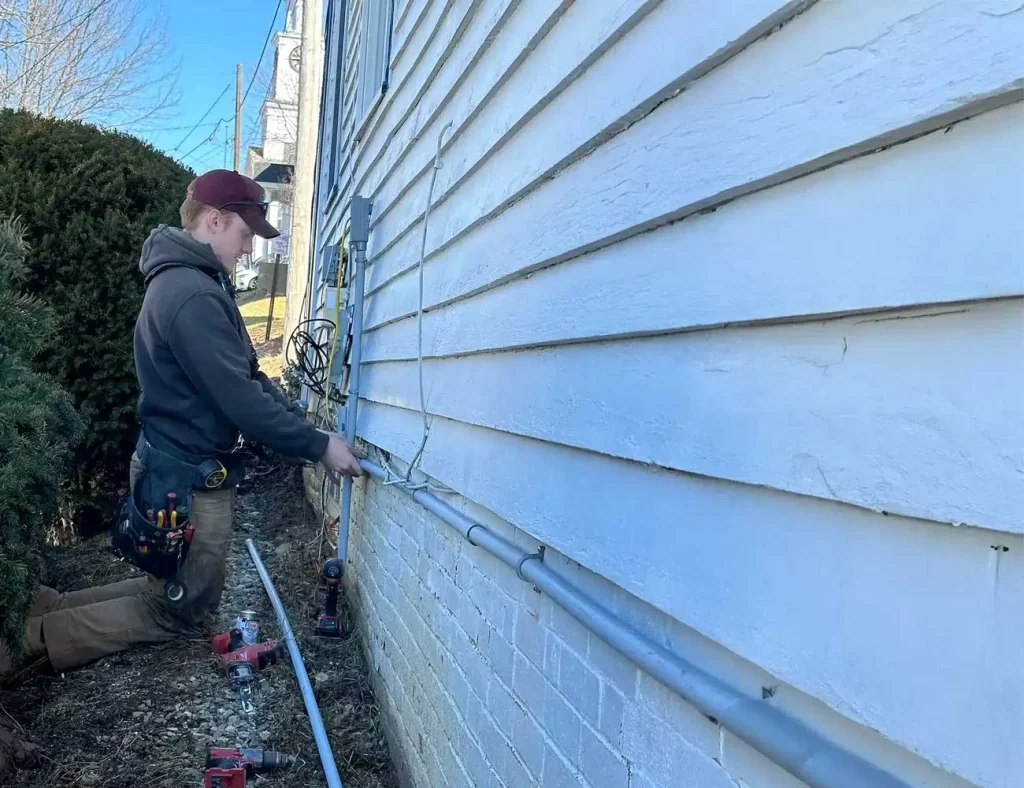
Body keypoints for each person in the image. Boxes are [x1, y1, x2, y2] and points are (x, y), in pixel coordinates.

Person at [0, 169, 363, 681]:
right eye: (244, 235)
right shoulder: (192, 294)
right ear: (215, 221)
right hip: (188, 477)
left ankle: (43, 611)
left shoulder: (191, 282)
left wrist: (307, 429)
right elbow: (238, 398)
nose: (248, 250)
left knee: (165, 588)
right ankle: (27, 642)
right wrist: (316, 445)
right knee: (180, 610)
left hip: (173, 464)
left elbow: (248, 375)